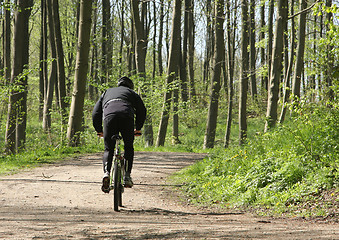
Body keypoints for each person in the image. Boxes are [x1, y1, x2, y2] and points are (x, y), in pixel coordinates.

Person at [92, 76, 146, 193]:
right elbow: (142, 110)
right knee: (128, 146)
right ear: (130, 86)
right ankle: (126, 176)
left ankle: (106, 173)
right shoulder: (132, 93)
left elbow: (96, 112)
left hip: (109, 117)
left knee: (108, 149)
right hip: (126, 116)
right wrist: (138, 127)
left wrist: (99, 129)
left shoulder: (107, 92)